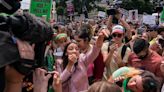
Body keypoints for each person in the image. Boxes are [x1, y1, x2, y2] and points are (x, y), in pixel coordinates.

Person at [60, 27, 106, 92]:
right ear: (66, 53)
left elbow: (94, 53)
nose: (74, 51)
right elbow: (60, 80)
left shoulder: (82, 59)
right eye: (71, 49)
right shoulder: (59, 63)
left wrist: (99, 41)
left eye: (76, 49)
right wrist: (70, 65)